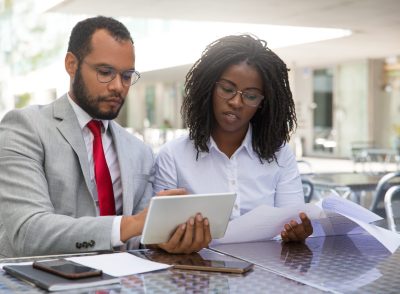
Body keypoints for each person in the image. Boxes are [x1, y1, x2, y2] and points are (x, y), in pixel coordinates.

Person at [0, 16, 210, 258]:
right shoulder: (25, 127)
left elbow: (142, 234)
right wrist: (129, 224)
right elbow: (28, 232)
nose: (118, 86)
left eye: (127, 76)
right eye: (105, 72)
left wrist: (167, 239)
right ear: (71, 64)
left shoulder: (138, 150)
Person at [154, 34, 313, 242]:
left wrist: (297, 233)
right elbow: (159, 237)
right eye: (227, 90)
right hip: (198, 270)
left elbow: (292, 219)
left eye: (251, 95)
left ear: (263, 103)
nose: (236, 102)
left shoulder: (280, 155)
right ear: (208, 88)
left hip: (266, 268)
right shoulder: (173, 156)